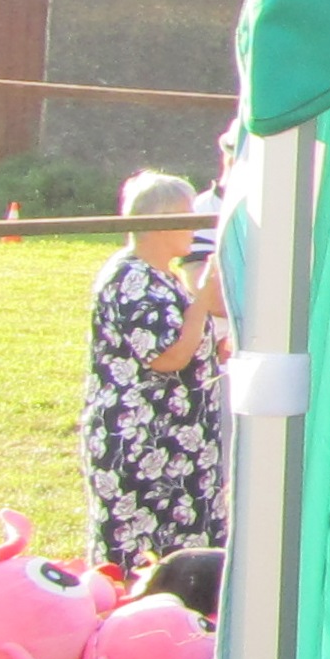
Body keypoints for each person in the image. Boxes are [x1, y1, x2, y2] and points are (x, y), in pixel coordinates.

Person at [81, 170, 224, 574]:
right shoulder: (131, 278)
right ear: (162, 222)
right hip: (142, 445)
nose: (195, 226)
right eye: (189, 216)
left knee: (181, 555)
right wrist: (203, 300)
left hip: (171, 445)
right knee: (140, 559)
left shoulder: (158, 275)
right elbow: (167, 357)